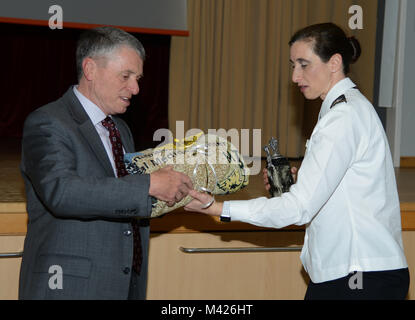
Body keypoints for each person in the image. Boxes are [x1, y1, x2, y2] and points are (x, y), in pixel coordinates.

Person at [185, 23, 410, 300]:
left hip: (356, 276)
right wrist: (296, 187)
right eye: (293, 65)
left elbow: (300, 209)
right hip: (359, 273)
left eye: (304, 64)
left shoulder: (342, 118)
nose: (295, 76)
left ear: (334, 63)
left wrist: (217, 207)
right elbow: (339, 194)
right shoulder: (347, 109)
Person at [19, 26, 193, 300]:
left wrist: (181, 193)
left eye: (138, 78)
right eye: (126, 76)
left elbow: (124, 197)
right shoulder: (48, 122)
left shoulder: (120, 129)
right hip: (69, 288)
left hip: (123, 284)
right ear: (90, 69)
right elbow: (62, 192)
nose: (135, 88)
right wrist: (148, 184)